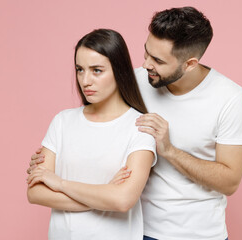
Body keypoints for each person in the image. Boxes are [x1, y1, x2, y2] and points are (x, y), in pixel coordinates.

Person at [29, 6, 242, 240]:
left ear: (190, 64)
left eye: (157, 60)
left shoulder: (228, 97)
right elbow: (91, 126)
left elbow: (230, 182)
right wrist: (52, 158)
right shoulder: (134, 81)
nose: (145, 65)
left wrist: (170, 151)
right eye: (146, 53)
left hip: (201, 233)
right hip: (138, 230)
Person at [26, 28, 156, 240]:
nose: (85, 80)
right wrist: (104, 194)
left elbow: (123, 200)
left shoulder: (140, 127)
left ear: (119, 70)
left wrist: (60, 184)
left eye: (97, 70)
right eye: (80, 69)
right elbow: (35, 192)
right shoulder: (62, 121)